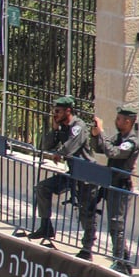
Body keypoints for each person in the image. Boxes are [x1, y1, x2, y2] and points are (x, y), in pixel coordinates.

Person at [27, 95, 95, 249]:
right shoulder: (62, 127)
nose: (55, 114)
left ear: (68, 111)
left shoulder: (78, 126)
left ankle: (87, 247)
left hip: (86, 175)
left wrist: (59, 153)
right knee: (42, 187)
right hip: (72, 173)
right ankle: (46, 227)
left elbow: (71, 146)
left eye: (57, 111)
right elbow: (44, 145)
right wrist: (54, 129)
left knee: (85, 211)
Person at [90, 104, 139, 273]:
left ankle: (120, 260)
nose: (116, 121)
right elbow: (100, 147)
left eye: (119, 119)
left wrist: (102, 133)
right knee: (113, 224)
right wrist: (96, 135)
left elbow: (113, 153)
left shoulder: (131, 142)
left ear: (128, 121)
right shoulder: (119, 137)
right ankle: (123, 260)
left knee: (116, 224)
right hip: (111, 183)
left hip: (121, 186)